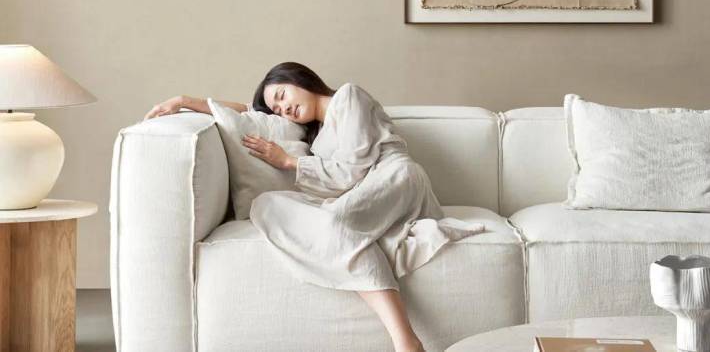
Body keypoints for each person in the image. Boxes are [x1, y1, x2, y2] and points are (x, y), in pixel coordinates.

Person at [144, 62, 486, 352]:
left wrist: (289, 162)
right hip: (355, 197)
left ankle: (405, 341)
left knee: (336, 224)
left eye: (282, 96)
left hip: (396, 177)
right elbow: (249, 112)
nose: (284, 109)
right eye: (278, 109)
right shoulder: (314, 134)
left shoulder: (349, 97)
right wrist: (186, 102)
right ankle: (407, 343)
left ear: (299, 79)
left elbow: (352, 170)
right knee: (268, 204)